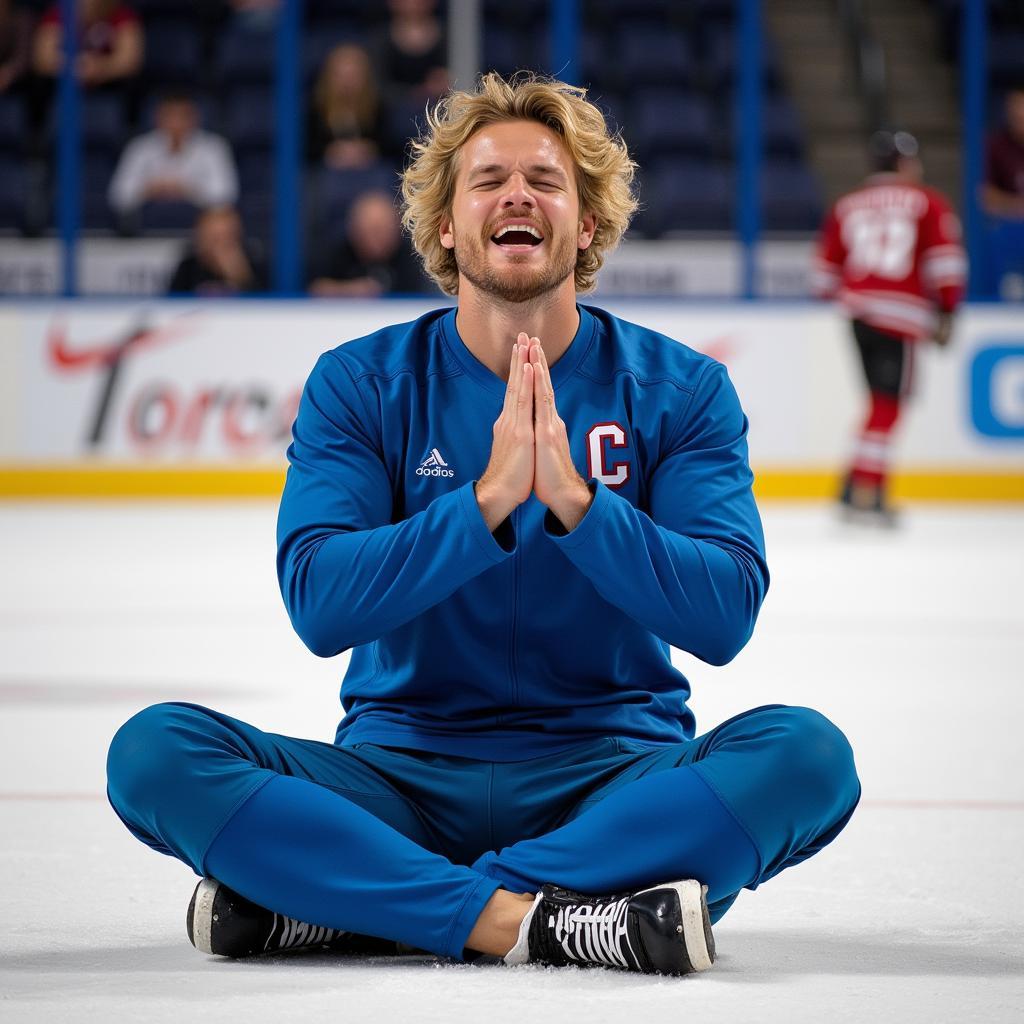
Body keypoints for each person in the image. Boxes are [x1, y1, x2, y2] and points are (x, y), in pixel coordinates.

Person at [108, 73, 860, 977]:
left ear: (585, 225)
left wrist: (579, 507)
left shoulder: (681, 389)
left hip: (611, 784)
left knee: (809, 759)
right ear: (446, 227)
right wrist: (485, 505)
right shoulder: (362, 382)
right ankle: (547, 921)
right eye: (488, 179)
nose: (516, 195)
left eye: (545, 180)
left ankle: (369, 901)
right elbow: (319, 604)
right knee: (154, 754)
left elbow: (724, 616)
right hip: (397, 778)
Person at [814, 130, 966, 524]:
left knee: (878, 404)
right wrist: (948, 309)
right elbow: (945, 260)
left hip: (858, 313)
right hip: (902, 317)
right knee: (888, 406)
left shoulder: (848, 205)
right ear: (906, 163)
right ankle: (869, 492)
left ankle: (853, 487)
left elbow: (824, 275)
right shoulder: (928, 202)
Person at [108, 91, 238, 226]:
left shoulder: (214, 147)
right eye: (169, 116)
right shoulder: (139, 147)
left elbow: (225, 196)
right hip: (147, 230)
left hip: (199, 229)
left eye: (183, 116)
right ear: (157, 118)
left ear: (195, 118)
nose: (176, 122)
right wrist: (149, 190)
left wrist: (187, 190)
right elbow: (118, 196)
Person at [309, 190, 431, 297]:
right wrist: (352, 290)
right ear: (355, 229)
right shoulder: (336, 251)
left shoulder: (413, 257)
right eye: (372, 231)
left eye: (385, 230)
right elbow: (316, 288)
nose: (378, 239)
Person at [307, 43, 388, 171]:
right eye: (341, 76)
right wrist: (331, 152)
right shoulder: (315, 109)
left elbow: (390, 148)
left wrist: (368, 150)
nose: (347, 83)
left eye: (353, 76)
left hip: (370, 174)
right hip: (325, 176)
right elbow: (307, 150)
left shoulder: (379, 107)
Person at [31, 0, 142, 90]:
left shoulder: (121, 14)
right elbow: (43, 58)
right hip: (63, 90)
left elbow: (129, 60)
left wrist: (101, 67)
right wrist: (75, 66)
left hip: (111, 89)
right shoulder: (58, 13)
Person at [980, 85, 1024, 298]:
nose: (1020, 118)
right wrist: (1016, 206)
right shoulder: (996, 146)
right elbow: (983, 194)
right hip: (1007, 229)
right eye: (1015, 113)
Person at [167, 205, 267, 296]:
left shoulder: (254, 264)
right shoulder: (188, 267)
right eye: (213, 237)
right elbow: (173, 303)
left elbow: (266, 304)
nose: (219, 244)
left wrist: (238, 273)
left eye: (225, 236)